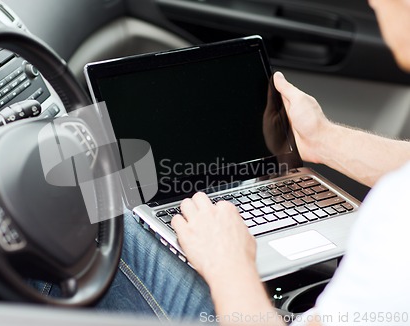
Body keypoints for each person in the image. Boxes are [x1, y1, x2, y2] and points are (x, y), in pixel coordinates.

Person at [92, 0, 410, 325]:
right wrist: (321, 139)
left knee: (97, 217)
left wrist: (227, 263)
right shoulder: (396, 211)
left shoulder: (394, 226)